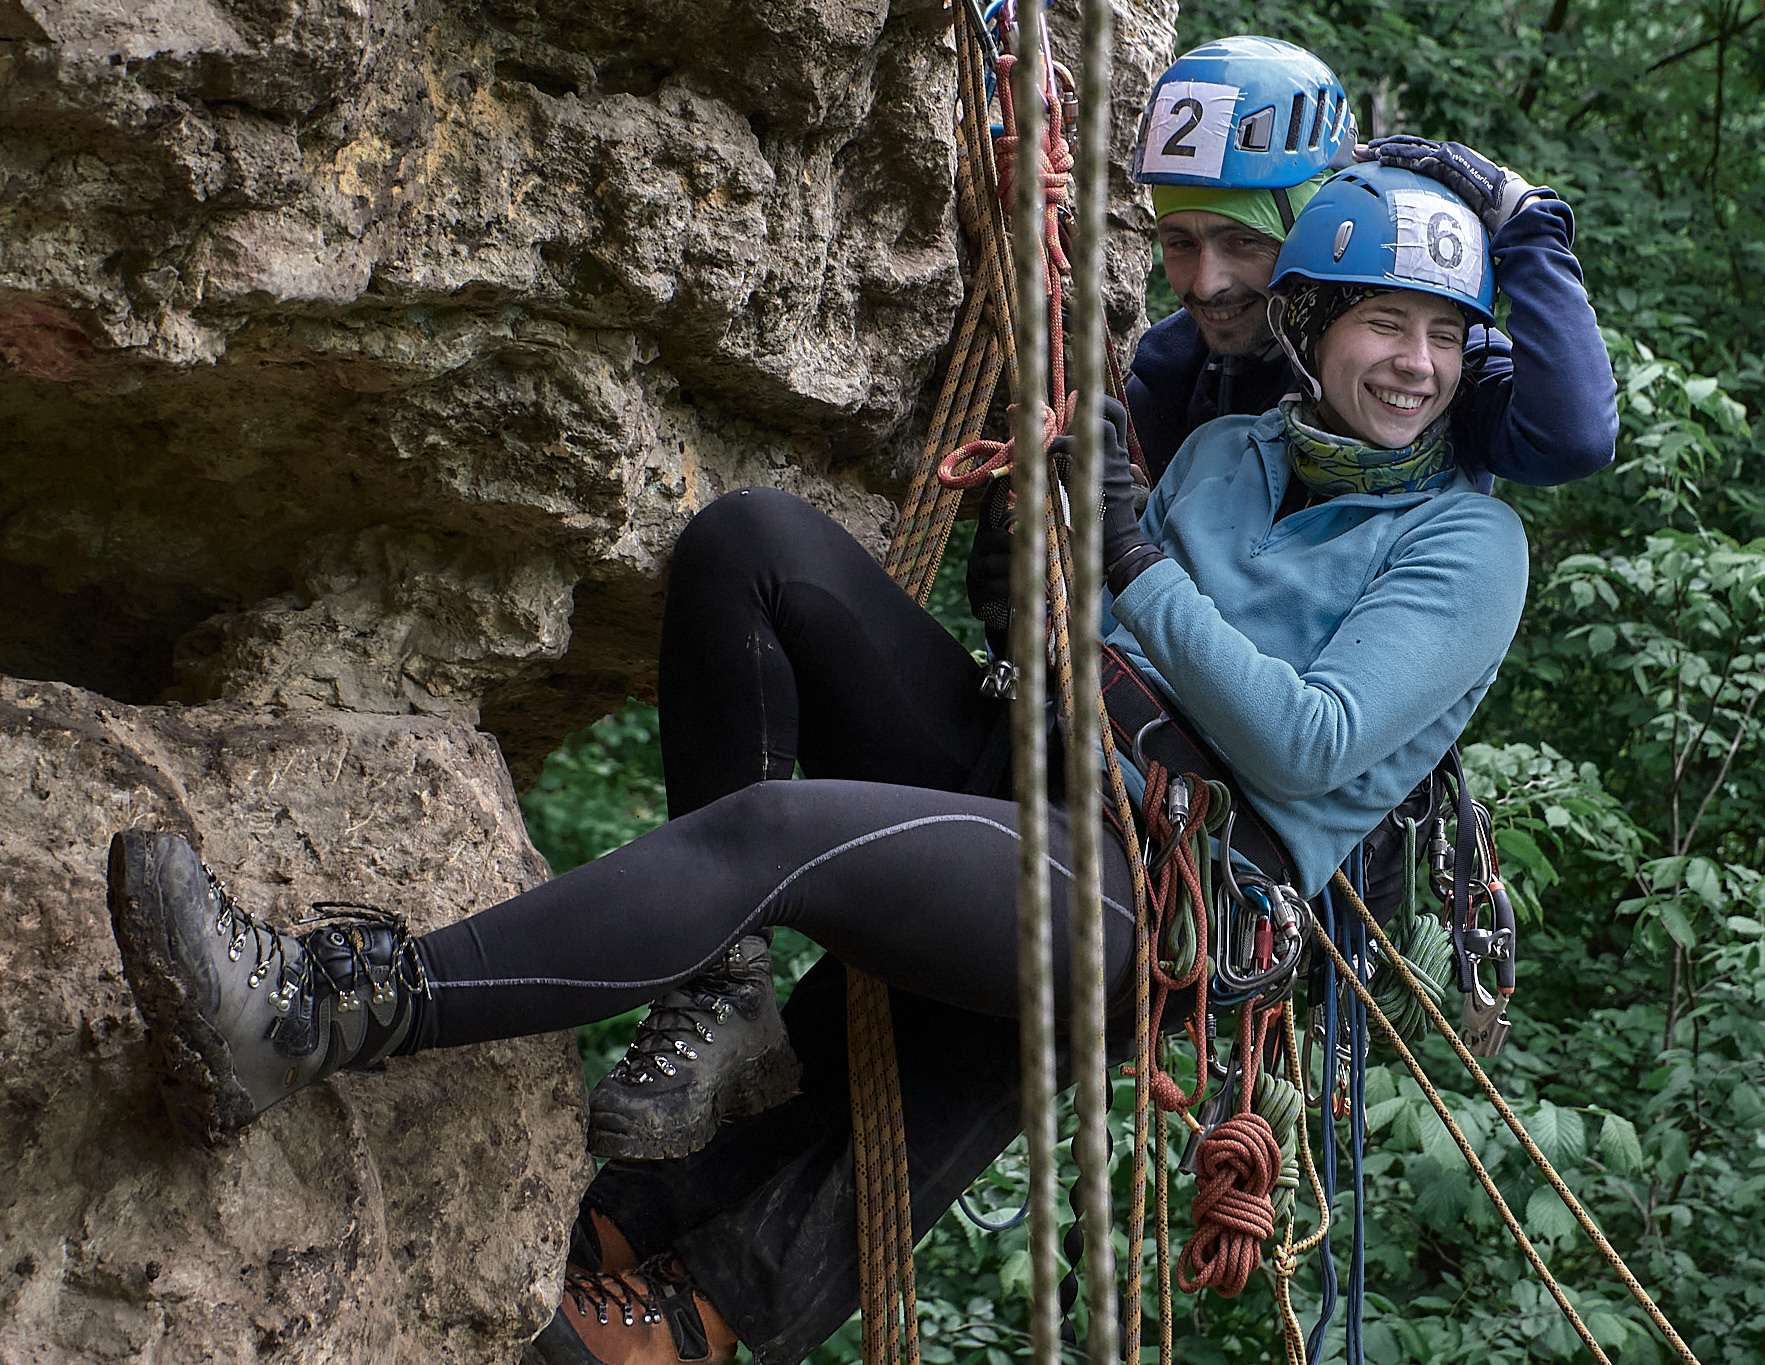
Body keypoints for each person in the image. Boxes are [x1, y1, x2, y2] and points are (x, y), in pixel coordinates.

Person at [106, 155, 1610, 1365]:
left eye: (1440, 337)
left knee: (776, 832)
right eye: (1378, 326)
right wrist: (1050, 563)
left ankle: (317, 1011)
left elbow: (1309, 736)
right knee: (753, 545)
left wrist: (1135, 567)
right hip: (1046, 754)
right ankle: (725, 1008)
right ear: (1314, 328)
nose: (1410, 365)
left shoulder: (1468, 542)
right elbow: (1092, 615)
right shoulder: (1231, 453)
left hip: (1157, 888)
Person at [1124, 36, 1614, 497]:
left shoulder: (1426, 356)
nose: (1207, 286)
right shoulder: (1175, 363)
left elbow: (1572, 438)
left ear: (1316, 230)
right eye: (1180, 243)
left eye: (1244, 242)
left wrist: (1526, 223)